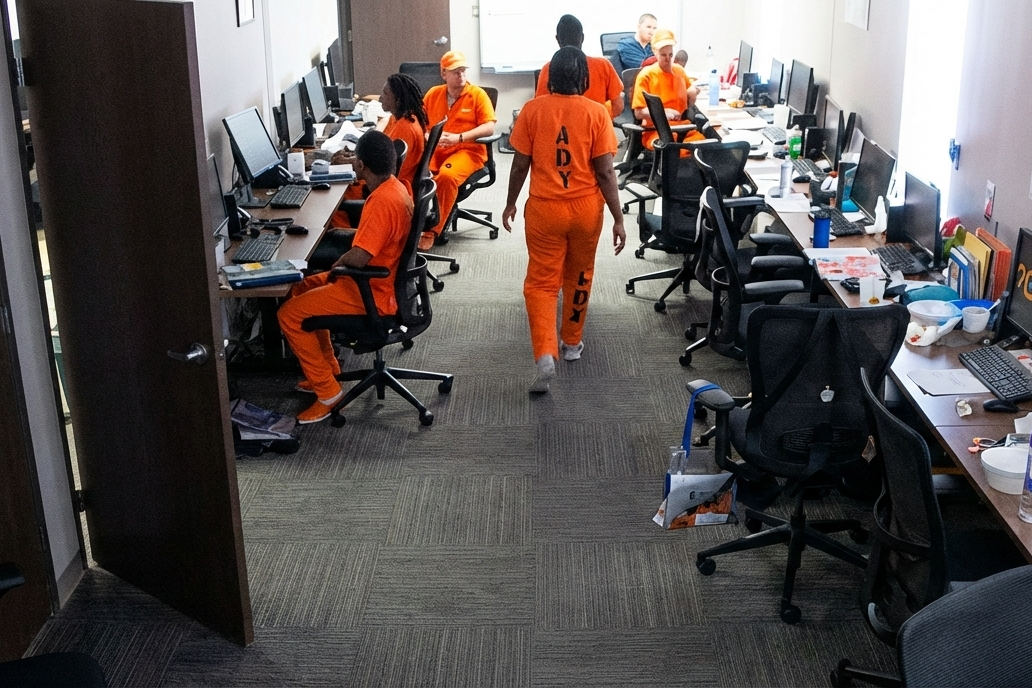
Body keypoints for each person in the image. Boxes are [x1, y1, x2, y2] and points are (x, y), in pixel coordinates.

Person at [502, 46, 626, 394]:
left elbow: (519, 165)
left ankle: (545, 353)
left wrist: (510, 203)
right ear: (584, 78)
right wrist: (618, 218)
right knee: (580, 273)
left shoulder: (531, 110)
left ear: (550, 77)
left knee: (541, 283)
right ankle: (572, 344)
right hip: (587, 210)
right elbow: (605, 172)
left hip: (545, 210)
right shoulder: (597, 114)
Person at [277, 131, 414, 423]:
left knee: (289, 314)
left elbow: (361, 256)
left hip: (372, 292)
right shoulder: (396, 187)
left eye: (354, 159)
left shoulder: (381, 202)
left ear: (362, 165)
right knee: (299, 287)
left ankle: (328, 394)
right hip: (374, 281)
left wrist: (337, 267)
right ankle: (328, 372)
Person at [421, 50, 497, 250]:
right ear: (443, 74)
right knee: (413, 170)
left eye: (463, 70)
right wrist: (427, 135)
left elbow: (489, 126)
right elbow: (420, 122)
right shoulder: (433, 94)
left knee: (446, 176)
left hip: (468, 151)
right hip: (437, 151)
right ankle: (410, 227)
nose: (460, 75)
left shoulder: (477, 95)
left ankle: (433, 231)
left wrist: (459, 138)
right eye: (455, 71)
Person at [535, 14, 623, 119]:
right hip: (595, 130)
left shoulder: (548, 68)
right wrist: (599, 119)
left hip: (561, 133)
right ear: (582, 38)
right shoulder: (603, 65)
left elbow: (540, 110)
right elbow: (618, 106)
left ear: (557, 39)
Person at [631, 28, 702, 151]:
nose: (667, 59)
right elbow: (638, 113)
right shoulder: (646, 75)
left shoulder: (679, 70)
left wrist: (692, 92)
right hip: (657, 131)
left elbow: (689, 89)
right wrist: (663, 113)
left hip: (683, 129)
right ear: (654, 52)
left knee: (705, 149)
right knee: (679, 153)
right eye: (663, 55)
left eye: (670, 55)